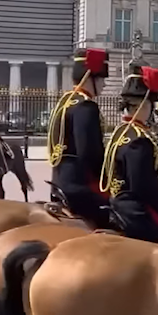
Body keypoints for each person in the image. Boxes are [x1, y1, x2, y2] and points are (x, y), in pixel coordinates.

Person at [102, 65, 158, 243]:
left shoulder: (121, 131)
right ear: (144, 105)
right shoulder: (139, 140)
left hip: (121, 204)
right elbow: (143, 188)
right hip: (137, 212)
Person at [48, 49, 112, 228]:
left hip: (59, 182)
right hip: (79, 186)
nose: (104, 84)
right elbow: (90, 154)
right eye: (101, 79)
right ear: (89, 77)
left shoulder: (65, 102)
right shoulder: (86, 107)